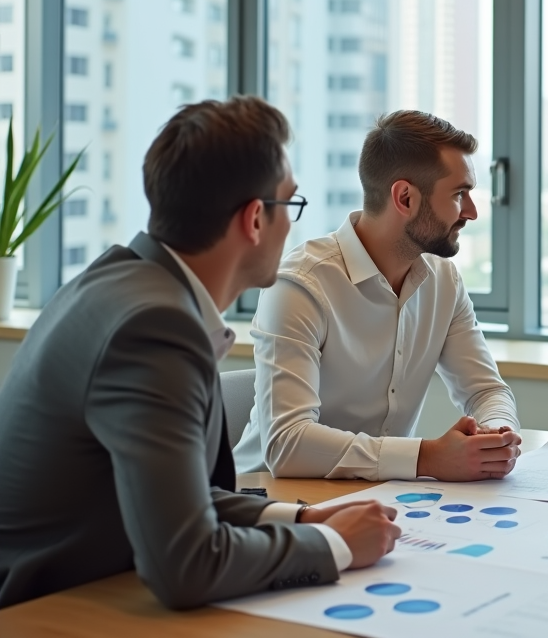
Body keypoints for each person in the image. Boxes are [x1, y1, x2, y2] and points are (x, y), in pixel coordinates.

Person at [0, 98, 401, 611]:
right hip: (48, 610)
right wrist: (338, 545)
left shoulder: (123, 285)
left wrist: (302, 519)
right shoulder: (154, 327)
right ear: (256, 219)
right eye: (289, 206)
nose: (291, 228)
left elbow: (177, 497)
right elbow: (187, 564)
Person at [233, 109, 521, 482]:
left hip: (378, 501)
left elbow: (486, 391)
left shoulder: (444, 281)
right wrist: (426, 458)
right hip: (270, 505)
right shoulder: (300, 285)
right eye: (459, 194)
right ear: (404, 198)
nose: (472, 212)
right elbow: (288, 444)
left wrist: (495, 434)